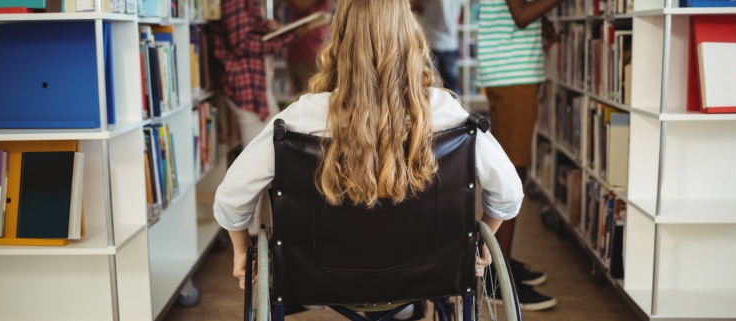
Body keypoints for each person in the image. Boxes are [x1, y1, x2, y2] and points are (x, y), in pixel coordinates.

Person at [213, 0, 524, 318]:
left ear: (338, 40)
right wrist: (481, 241)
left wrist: (241, 252)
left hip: (322, 277)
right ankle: (401, 300)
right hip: (429, 273)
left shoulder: (299, 118)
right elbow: (509, 193)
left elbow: (231, 200)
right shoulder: (447, 113)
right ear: (409, 37)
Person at [477, 0, 561, 311]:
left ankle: (504, 262)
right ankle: (496, 278)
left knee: (512, 171)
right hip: (511, 74)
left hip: (509, 71)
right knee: (511, 175)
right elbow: (521, 15)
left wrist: (544, 21)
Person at [213, 0, 320, 236]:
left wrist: (269, 29)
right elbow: (241, 45)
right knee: (258, 161)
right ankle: (250, 231)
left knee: (270, 154)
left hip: (258, 81)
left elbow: (247, 35)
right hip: (247, 85)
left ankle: (261, 226)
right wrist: (287, 36)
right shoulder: (236, 1)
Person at [411, 0, 465, 94]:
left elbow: (415, 9)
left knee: (427, 88)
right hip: (450, 43)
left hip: (430, 43)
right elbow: (462, 18)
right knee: (451, 89)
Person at [284, 0, 332, 93]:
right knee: (298, 101)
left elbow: (302, 4)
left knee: (312, 99)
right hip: (296, 52)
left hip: (311, 54)